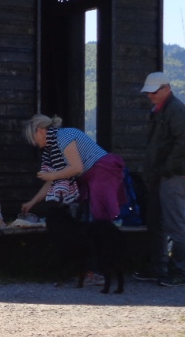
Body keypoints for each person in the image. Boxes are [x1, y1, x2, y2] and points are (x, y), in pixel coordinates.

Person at [21, 114, 126, 293]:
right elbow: (52, 180)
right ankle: (94, 271)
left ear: (40, 131)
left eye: (33, 137)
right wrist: (32, 202)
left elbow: (75, 168)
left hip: (101, 172)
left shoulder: (64, 137)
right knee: (90, 227)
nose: (34, 143)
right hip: (90, 176)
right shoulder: (51, 149)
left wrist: (53, 175)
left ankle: (98, 273)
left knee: (99, 225)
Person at [135, 72, 185, 287]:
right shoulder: (160, 110)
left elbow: (182, 144)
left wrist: (163, 169)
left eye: (153, 92)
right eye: (148, 92)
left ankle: (180, 271)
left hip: (174, 175)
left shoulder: (176, 110)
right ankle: (158, 267)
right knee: (156, 222)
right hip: (161, 175)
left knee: (174, 224)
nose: (149, 95)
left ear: (166, 89)